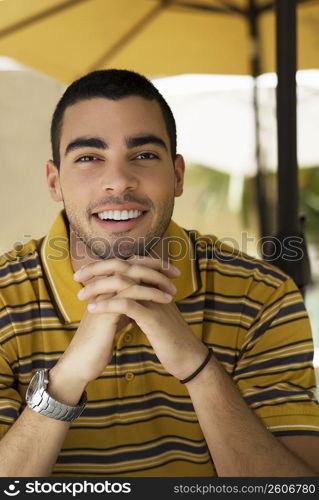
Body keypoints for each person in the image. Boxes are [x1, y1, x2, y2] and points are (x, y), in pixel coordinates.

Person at [0, 69, 318, 478]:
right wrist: (67, 378)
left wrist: (196, 365)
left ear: (178, 174)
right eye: (89, 158)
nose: (118, 180)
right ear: (54, 181)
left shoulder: (265, 296)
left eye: (145, 155)